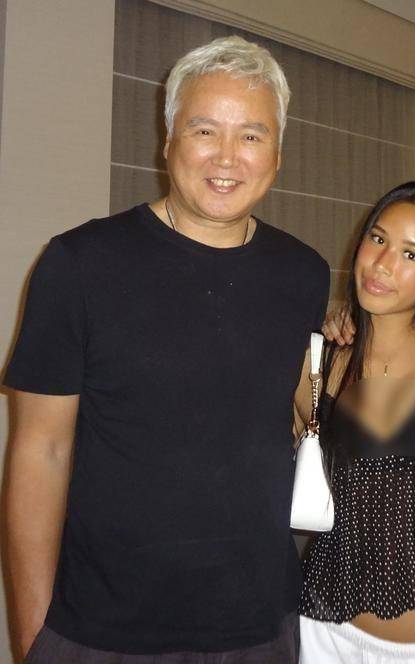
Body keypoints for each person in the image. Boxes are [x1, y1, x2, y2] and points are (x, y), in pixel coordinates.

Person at [3, 36, 328, 663]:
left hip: (261, 628)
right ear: (169, 140)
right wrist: (31, 634)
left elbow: (299, 411)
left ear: (277, 155)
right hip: (101, 631)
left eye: (252, 135)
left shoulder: (304, 273)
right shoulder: (79, 264)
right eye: (205, 130)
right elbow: (39, 451)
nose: (227, 157)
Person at [294, 180, 415, 663]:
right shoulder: (318, 362)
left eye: (410, 254)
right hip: (325, 635)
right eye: (378, 238)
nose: (382, 264)